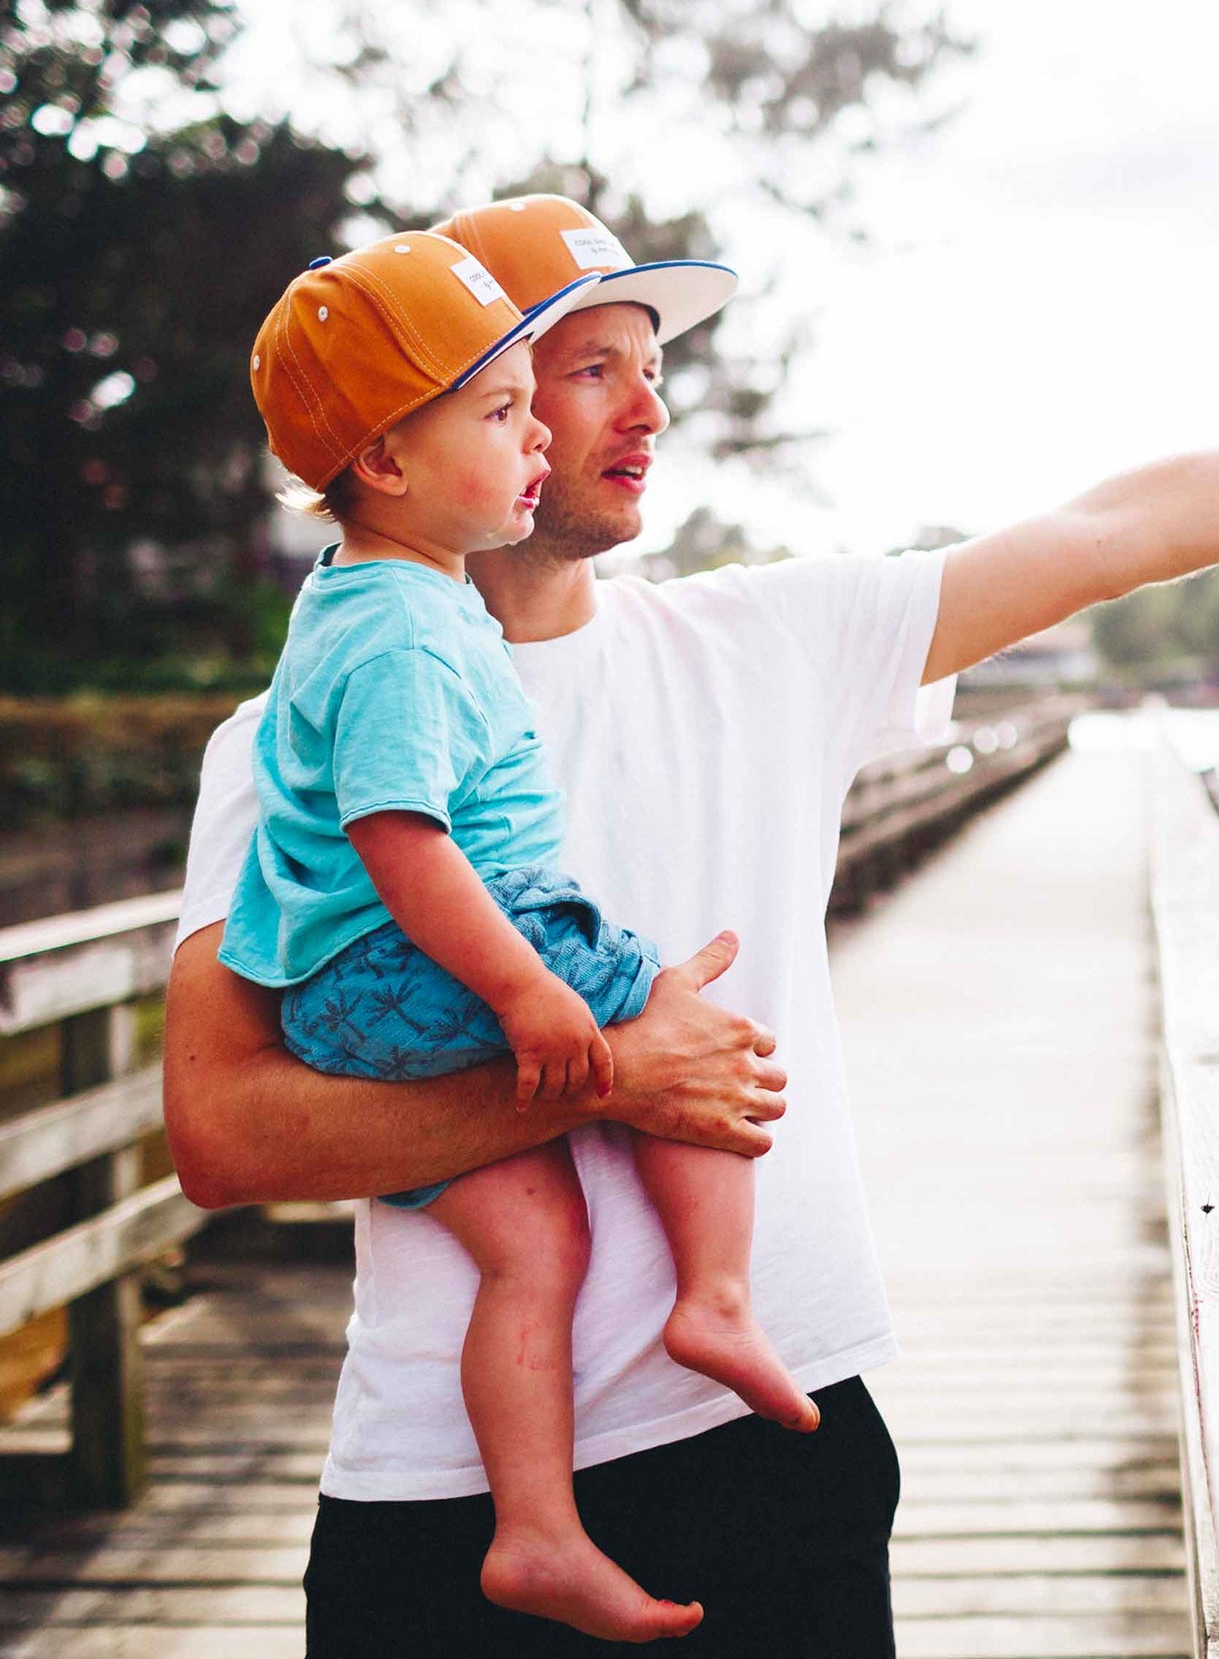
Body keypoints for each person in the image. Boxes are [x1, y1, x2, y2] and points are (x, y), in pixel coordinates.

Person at [164, 193, 1219, 1656]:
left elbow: (1117, 531)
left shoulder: (766, 645)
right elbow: (223, 1132)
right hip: (443, 1502)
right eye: (586, 371)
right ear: (435, 416)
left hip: (774, 1436)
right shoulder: (290, 739)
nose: (646, 407)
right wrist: (613, 1076)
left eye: (653, 367)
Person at [224, 226, 819, 1643]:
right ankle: (719, 1297)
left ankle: (536, 1527)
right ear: (386, 460)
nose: (536, 435)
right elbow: (401, 839)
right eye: (503, 410)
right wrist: (545, 1001)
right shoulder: (405, 632)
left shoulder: (359, 604)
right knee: (678, 1021)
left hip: (348, 997)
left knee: (533, 1237)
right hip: (419, 962)